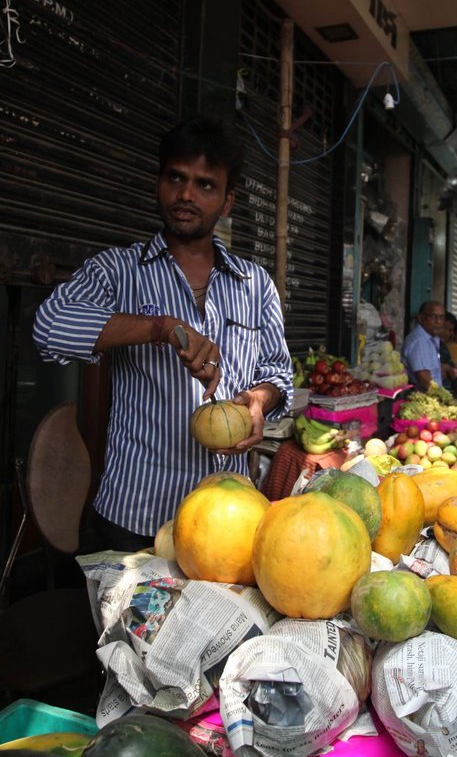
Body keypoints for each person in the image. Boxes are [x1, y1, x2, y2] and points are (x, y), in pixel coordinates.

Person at [33, 116, 293, 551]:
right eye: (176, 178)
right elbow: (49, 327)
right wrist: (161, 326)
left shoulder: (255, 284)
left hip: (227, 517)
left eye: (205, 185)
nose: (187, 194)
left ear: (227, 203)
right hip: (137, 512)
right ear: (159, 183)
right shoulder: (118, 271)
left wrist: (259, 400)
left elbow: (278, 371)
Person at [401, 301, 445, 392]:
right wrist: (444, 399)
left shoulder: (431, 337)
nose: (438, 321)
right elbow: (425, 381)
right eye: (433, 317)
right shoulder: (420, 341)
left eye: (441, 317)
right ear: (421, 318)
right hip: (426, 398)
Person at [438, 311, 457, 392]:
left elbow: (454, 373)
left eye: (450, 330)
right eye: (444, 328)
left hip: (448, 392)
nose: (447, 333)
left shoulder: (444, 348)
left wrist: (447, 368)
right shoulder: (428, 344)